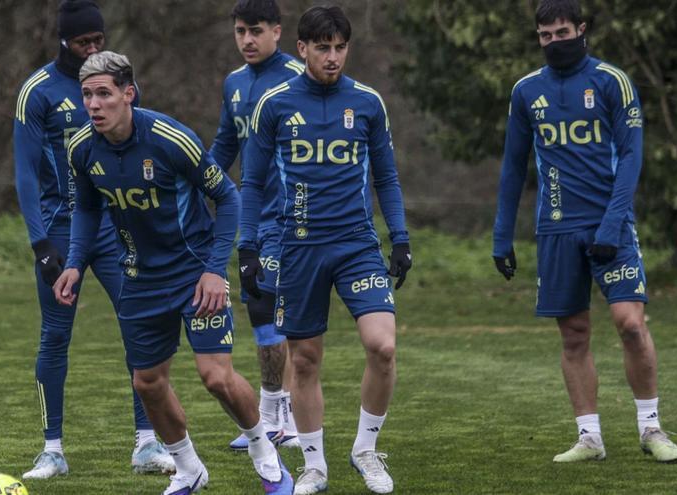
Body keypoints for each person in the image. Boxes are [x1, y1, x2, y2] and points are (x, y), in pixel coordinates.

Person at [53, 51, 294, 495]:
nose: (93, 105)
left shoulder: (170, 139)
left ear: (129, 93)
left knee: (216, 376)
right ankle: (188, 469)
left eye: (103, 94)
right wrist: (73, 263)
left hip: (194, 274)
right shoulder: (81, 148)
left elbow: (229, 198)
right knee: (146, 382)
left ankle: (266, 454)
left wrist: (214, 270)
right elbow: (86, 209)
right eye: (86, 95)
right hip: (139, 279)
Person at [492, 0, 677, 464]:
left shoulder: (612, 81)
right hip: (557, 228)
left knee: (630, 324)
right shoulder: (526, 91)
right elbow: (513, 166)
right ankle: (589, 437)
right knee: (574, 334)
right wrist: (502, 236)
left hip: (610, 224)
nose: (554, 42)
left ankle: (651, 427)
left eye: (562, 33)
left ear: (581, 30)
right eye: (545, 36)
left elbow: (631, 156)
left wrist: (613, 223)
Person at [239, 5, 413, 494]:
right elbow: (251, 182)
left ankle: (365, 450)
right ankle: (314, 466)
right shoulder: (274, 104)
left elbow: (386, 177)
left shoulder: (367, 102)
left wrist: (400, 237)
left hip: (356, 244)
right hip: (298, 247)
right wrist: (247, 246)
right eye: (322, 48)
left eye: (339, 47)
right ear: (302, 49)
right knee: (305, 360)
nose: (332, 57)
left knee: (383, 346)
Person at [12, 0, 173, 479]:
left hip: (116, 228)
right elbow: (24, 173)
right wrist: (40, 243)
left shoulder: (118, 86)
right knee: (55, 335)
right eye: (83, 42)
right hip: (62, 230)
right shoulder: (37, 93)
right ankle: (52, 450)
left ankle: (146, 442)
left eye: (98, 40)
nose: (92, 49)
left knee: (138, 327)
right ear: (63, 40)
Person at [210, 0, 304, 452]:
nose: (247, 39)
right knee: (261, 311)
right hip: (254, 215)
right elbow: (225, 145)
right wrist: (195, 184)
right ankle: (272, 415)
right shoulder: (234, 83)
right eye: (240, 31)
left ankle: (289, 416)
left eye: (256, 30)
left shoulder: (299, 78)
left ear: (277, 31)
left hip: (293, 215)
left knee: (281, 312)